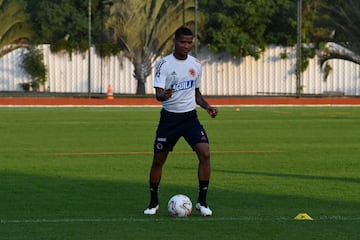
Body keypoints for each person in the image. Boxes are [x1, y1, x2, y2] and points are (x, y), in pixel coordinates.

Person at [144, 27, 218, 216]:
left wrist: (207, 106)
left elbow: (196, 93)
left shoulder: (196, 64)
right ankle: (153, 203)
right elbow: (158, 95)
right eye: (182, 42)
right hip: (169, 120)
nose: (186, 46)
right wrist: (163, 95)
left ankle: (202, 202)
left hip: (189, 118)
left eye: (189, 42)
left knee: (205, 153)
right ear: (174, 42)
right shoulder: (164, 64)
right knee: (159, 160)